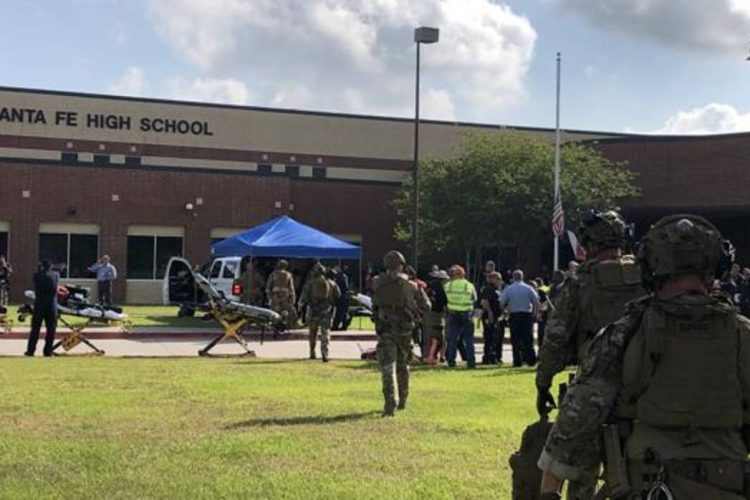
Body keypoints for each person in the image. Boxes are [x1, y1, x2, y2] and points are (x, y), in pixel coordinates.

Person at [539, 214, 749, 500]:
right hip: (728, 482)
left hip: (647, 483)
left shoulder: (624, 334)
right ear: (716, 269)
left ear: (651, 268)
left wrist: (549, 492)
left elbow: (576, 420)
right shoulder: (742, 334)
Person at [535, 210, 643, 498]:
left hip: (594, 386)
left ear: (589, 244)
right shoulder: (649, 277)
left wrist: (543, 382)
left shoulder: (579, 282)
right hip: (647, 387)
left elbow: (555, 340)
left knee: (576, 467)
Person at [372, 250, 430, 416]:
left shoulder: (377, 282)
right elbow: (426, 305)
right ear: (402, 265)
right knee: (403, 365)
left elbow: (375, 302)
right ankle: (403, 399)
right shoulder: (411, 285)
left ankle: (389, 403)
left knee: (387, 367)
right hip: (405, 330)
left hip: (385, 329)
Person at [298, 263, 340, 362]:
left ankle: (312, 352)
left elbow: (303, 297)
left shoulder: (310, 283)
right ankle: (325, 354)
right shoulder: (331, 283)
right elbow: (338, 295)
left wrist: (300, 306)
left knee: (313, 332)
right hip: (327, 311)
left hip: (313, 311)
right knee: (325, 332)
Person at [499, 269, 539, 367]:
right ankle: (531, 360)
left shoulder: (509, 289)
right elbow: (536, 301)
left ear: (513, 277)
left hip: (514, 315)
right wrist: (535, 313)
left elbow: (501, 302)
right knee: (528, 338)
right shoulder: (528, 288)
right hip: (526, 315)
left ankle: (517, 360)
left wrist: (505, 311)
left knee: (515, 339)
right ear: (522, 277)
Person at [444, 265, 478, 369]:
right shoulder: (469, 285)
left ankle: (451, 362)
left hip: (453, 314)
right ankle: (471, 362)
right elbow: (475, 298)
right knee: (468, 339)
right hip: (466, 313)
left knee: (452, 339)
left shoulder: (448, 285)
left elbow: (445, 298)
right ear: (464, 274)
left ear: (454, 274)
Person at [25, 260, 59, 357]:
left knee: (35, 329)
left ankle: (30, 351)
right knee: (51, 329)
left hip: (39, 304)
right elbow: (55, 288)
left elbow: (37, 286)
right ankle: (48, 351)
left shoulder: (37, 276)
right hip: (52, 305)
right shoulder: (56, 275)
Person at [423, 269, 449, 364]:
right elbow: (444, 304)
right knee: (437, 335)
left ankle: (426, 355)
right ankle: (433, 357)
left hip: (427, 313)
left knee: (427, 335)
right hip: (437, 314)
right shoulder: (441, 289)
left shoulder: (428, 286)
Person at [479, 271, 503, 365]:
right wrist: (490, 313)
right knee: (489, 337)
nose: (500, 281)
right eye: (498, 279)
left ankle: (493, 357)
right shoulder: (489, 289)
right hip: (489, 316)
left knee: (494, 337)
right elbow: (485, 302)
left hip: (495, 316)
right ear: (493, 279)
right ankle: (487, 358)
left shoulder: (496, 289)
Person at [266, 259, 298, 328]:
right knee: (285, 311)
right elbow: (291, 288)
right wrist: (293, 298)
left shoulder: (273, 274)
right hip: (285, 296)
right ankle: (284, 324)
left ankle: (274, 325)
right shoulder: (288, 275)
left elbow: (268, 288)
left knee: (275, 312)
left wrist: (269, 297)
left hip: (275, 296)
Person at [332, 264, 350, 330]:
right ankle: (344, 325)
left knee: (339, 312)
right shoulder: (344, 276)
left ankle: (336, 325)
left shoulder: (338, 277)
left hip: (340, 296)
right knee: (343, 312)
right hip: (344, 295)